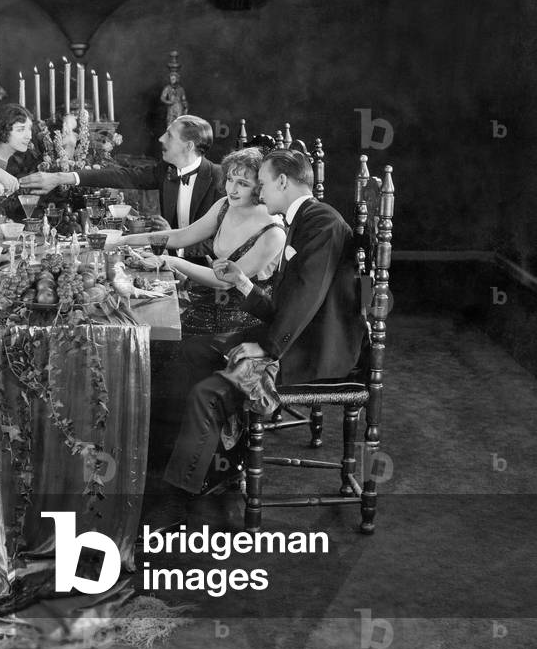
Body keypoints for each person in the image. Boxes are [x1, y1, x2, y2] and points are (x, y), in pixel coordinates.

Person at [159, 148, 367, 509]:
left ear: (283, 181)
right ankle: (218, 459)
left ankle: (184, 494)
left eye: (264, 183)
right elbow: (286, 302)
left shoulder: (322, 224)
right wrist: (241, 281)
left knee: (206, 393)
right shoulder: (304, 218)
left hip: (315, 349)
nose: (260, 191)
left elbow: (307, 299)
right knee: (192, 350)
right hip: (295, 333)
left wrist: (268, 348)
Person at [123, 146, 285, 336]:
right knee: (137, 316)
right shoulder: (224, 205)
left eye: (242, 183)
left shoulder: (273, 232)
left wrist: (171, 261)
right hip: (205, 301)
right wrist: (123, 240)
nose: (231, 189)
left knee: (150, 334)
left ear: (260, 187)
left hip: (239, 324)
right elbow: (181, 237)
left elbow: (226, 282)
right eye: (230, 180)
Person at [20, 115, 225, 257]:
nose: (161, 139)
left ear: (189, 146)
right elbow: (121, 176)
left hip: (209, 279)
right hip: (167, 262)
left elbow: (223, 243)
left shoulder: (220, 179)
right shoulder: (167, 170)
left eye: (170, 135)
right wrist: (61, 177)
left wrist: (174, 242)